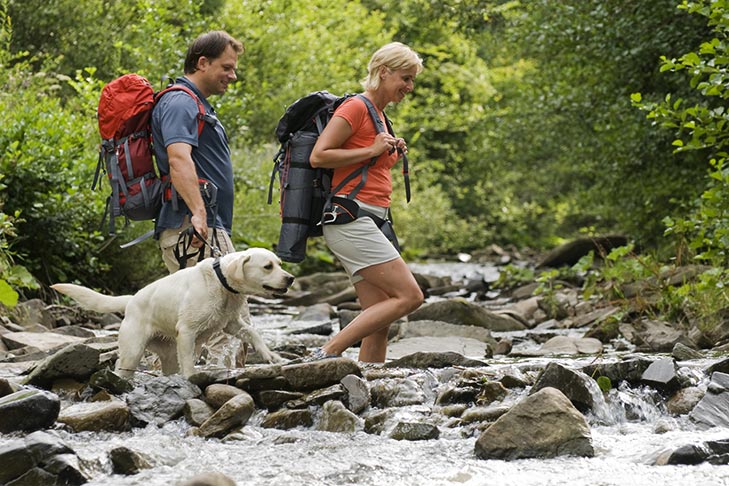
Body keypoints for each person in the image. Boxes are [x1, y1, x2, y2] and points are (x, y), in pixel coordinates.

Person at [308, 42, 425, 363]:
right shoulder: (356, 108)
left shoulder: (380, 117)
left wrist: (386, 153)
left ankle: (372, 386)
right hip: (350, 219)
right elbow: (320, 156)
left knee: (378, 320)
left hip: (371, 219)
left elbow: (364, 162)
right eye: (405, 78)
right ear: (383, 73)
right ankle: (326, 351)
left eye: (413, 80)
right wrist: (372, 151)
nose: (410, 87)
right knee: (410, 296)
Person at [152, 30, 244, 273]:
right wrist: (199, 213)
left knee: (217, 311)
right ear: (202, 62)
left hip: (203, 227)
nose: (232, 76)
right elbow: (178, 159)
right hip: (194, 229)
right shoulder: (181, 102)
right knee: (233, 311)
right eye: (226, 67)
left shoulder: (196, 103)